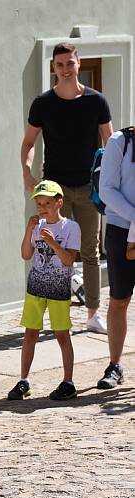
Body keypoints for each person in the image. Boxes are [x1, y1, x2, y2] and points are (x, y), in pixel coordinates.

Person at [21, 42, 113, 334]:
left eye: (69, 63)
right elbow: (28, 143)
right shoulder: (43, 103)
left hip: (88, 187)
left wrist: (111, 182)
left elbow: (110, 143)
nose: (65, 69)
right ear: (54, 67)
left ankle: (93, 314)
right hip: (55, 188)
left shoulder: (97, 101)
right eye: (59, 65)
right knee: (51, 248)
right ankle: (57, 313)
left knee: (90, 251)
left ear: (78, 63)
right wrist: (26, 171)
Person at [7, 180, 81, 402]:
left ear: (59, 202)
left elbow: (69, 260)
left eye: (46, 203)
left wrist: (53, 243)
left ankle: (68, 382)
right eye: (39, 203)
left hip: (58, 288)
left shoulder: (70, 227)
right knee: (30, 333)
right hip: (36, 287)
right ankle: (24, 380)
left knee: (61, 334)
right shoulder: (36, 226)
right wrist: (29, 229)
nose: (41, 208)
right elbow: (25, 255)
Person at [96, 126, 135, 388]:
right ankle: (115, 365)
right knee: (119, 301)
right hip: (121, 231)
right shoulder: (119, 141)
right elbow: (106, 189)